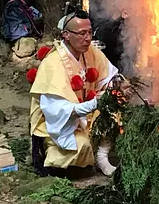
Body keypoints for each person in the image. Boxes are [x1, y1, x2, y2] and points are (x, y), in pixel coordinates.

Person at [30, 9, 119, 176]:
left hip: (88, 113)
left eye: (90, 32)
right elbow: (57, 110)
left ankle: (102, 156)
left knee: (116, 111)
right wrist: (93, 105)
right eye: (82, 33)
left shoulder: (90, 51)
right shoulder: (52, 63)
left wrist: (118, 86)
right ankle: (55, 155)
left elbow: (108, 78)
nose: (88, 38)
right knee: (82, 147)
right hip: (60, 123)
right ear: (66, 35)